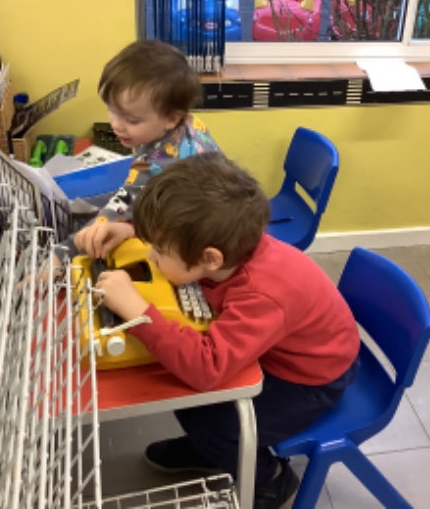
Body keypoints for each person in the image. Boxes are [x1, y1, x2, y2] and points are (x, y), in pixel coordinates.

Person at [93, 153, 361, 509]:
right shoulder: (231, 245)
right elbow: (184, 244)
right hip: (291, 350)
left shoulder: (261, 294)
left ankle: (271, 480)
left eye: (159, 248)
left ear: (210, 259)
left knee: (213, 420)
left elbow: (207, 369)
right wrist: (130, 230)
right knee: (188, 399)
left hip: (314, 379)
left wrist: (139, 312)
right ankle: (214, 450)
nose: (152, 255)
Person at [68, 39, 220, 258]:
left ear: (170, 118)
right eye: (112, 110)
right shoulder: (189, 122)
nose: (116, 125)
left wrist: (64, 251)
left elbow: (116, 211)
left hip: (197, 236)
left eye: (131, 120)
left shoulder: (156, 163)